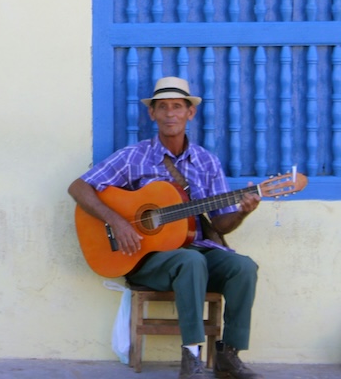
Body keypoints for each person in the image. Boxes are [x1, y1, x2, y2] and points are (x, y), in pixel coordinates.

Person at [68, 77, 263, 379]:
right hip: (145, 258)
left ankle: (229, 355)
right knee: (191, 260)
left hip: (195, 250)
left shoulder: (207, 162)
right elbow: (79, 187)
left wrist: (242, 212)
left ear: (190, 113)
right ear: (152, 114)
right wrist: (117, 221)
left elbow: (221, 221)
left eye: (177, 106)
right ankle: (192, 356)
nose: (170, 113)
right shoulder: (134, 156)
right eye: (163, 107)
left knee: (243, 267)